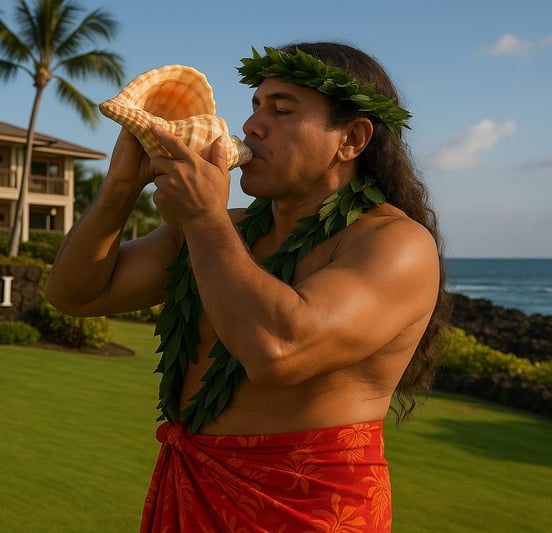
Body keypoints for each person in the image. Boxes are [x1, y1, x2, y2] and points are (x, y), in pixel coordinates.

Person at [45, 42, 448, 532]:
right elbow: (74, 294)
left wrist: (202, 217)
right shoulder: (222, 230)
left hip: (312, 510)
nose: (254, 126)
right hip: (192, 484)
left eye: (281, 111)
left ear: (352, 139)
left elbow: (279, 350)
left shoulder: (397, 244)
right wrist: (121, 185)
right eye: (255, 107)